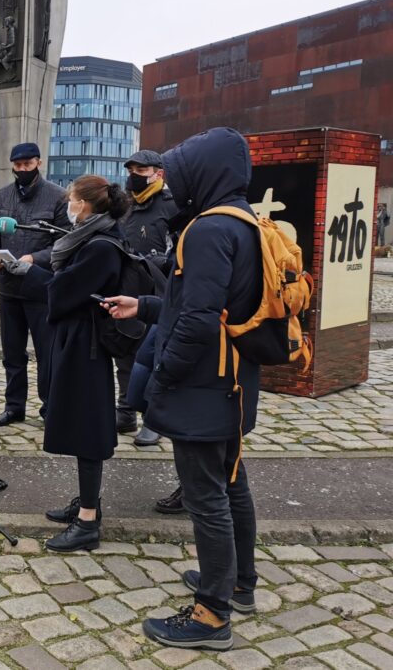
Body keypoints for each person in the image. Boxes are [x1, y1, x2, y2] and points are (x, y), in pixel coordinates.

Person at [107, 127, 262, 651]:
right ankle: (238, 582)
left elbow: (196, 320)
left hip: (202, 386)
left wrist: (161, 377)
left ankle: (212, 614)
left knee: (206, 497)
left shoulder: (207, 230)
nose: (174, 183)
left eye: (181, 171)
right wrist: (144, 306)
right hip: (234, 382)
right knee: (231, 484)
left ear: (205, 173)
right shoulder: (245, 222)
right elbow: (202, 304)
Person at [3, 175, 130, 552]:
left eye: (73, 198)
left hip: (86, 346)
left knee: (87, 430)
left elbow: (65, 291)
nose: (69, 204)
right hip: (76, 341)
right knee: (78, 424)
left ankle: (88, 520)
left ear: (88, 204)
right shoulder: (90, 239)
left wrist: (29, 273)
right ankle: (86, 501)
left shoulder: (101, 246)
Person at [0, 142, 68, 427]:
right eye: (17, 165)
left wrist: (35, 258)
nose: (22, 169)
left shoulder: (58, 197)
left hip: (41, 287)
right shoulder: (1, 197)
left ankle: (50, 406)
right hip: (8, 287)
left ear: (38, 163)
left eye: (27, 164)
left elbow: (64, 242)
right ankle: (14, 406)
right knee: (12, 353)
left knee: (47, 353)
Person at [117, 149, 176, 445]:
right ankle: (125, 411)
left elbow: (181, 249)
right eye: (132, 171)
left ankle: (154, 418)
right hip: (130, 289)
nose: (134, 177)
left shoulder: (171, 206)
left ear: (158, 174)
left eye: (141, 171)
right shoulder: (126, 206)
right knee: (126, 354)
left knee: (154, 358)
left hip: (161, 292)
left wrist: (163, 260)